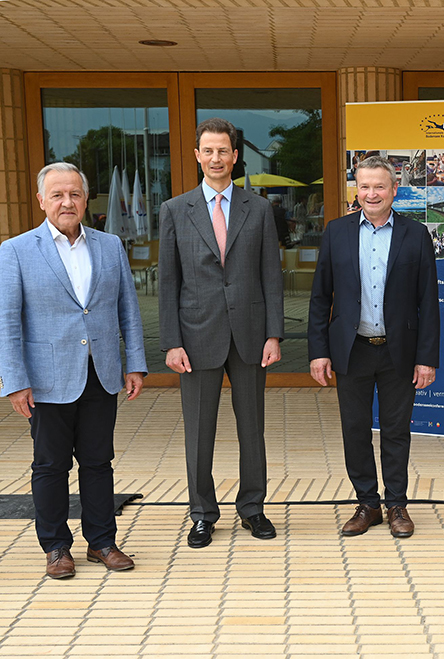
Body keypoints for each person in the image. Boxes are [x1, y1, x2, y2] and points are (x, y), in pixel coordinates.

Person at [0, 162, 146, 578]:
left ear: (85, 199)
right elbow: (7, 322)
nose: (67, 202)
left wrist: (135, 363)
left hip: (101, 372)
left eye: (75, 194)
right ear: (41, 200)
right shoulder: (16, 250)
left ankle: (102, 541)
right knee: (51, 465)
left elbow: (128, 309)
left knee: (99, 462)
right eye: (58, 195)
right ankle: (56, 547)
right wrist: (15, 381)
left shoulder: (109, 245)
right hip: (46, 379)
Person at [158, 117, 284, 549]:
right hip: (195, 337)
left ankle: (253, 508)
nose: (216, 158)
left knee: (253, 429)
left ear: (235, 156)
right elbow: (168, 283)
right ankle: (201, 514)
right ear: (197, 155)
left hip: (251, 335)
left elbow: (271, 277)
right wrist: (171, 342)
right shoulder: (175, 210)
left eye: (223, 151)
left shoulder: (259, 209)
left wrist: (274, 334)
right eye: (208, 151)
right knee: (199, 433)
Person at [308, 155, 439, 539]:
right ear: (357, 190)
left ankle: (397, 504)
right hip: (353, 349)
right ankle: (368, 504)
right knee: (355, 430)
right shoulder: (337, 232)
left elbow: (428, 301)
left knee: (396, 431)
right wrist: (319, 351)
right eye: (364, 186)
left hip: (400, 350)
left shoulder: (416, 234)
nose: (371, 193)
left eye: (379, 186)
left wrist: (427, 358)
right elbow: (320, 297)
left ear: (394, 189)